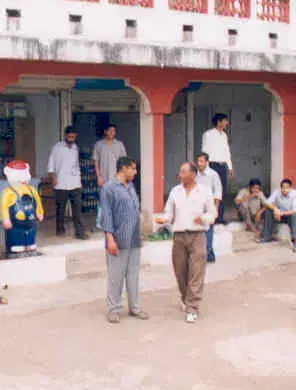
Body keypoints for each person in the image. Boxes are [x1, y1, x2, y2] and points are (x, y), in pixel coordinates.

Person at [154, 162, 216, 324]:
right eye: (180, 171)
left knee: (196, 272)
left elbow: (212, 213)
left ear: (192, 174)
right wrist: (163, 219)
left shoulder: (204, 192)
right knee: (180, 271)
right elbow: (169, 213)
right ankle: (185, 297)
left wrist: (203, 219)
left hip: (198, 236)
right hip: (179, 236)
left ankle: (192, 307)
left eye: (183, 171)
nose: (180, 174)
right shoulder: (175, 191)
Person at [99, 157, 148, 324]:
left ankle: (134, 307)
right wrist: (110, 239)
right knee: (116, 276)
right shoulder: (109, 188)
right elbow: (106, 215)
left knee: (133, 275)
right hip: (118, 239)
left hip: (134, 238)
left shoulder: (131, 187)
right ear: (123, 169)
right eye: (133, 169)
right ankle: (113, 309)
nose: (135, 172)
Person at [46, 125, 88, 239]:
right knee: (61, 209)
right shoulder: (57, 147)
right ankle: (60, 229)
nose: (71, 139)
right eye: (69, 137)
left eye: (73, 137)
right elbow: (51, 164)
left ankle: (79, 232)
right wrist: (53, 177)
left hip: (75, 182)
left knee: (77, 209)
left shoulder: (76, 148)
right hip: (61, 182)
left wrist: (79, 179)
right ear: (65, 136)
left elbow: (76, 164)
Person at [0, 160, 43, 258]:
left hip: (31, 220)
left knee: (31, 232)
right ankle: (15, 249)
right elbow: (4, 207)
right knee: (15, 234)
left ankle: (30, 247)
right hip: (15, 223)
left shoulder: (32, 190)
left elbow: (38, 202)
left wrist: (40, 213)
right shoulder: (8, 192)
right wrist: (5, 219)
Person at [93, 124, 128, 228]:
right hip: (104, 178)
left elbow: (124, 162)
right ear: (105, 132)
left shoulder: (119, 144)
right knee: (103, 200)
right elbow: (96, 162)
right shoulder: (99, 145)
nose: (112, 133)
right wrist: (98, 177)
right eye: (110, 131)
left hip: (117, 178)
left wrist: (123, 177)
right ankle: (101, 222)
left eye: (114, 131)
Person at [200, 113, 232, 224]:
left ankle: (220, 217)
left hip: (222, 166)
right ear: (219, 122)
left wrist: (230, 166)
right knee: (210, 191)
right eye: (225, 121)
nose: (227, 123)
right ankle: (210, 216)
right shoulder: (208, 134)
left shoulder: (224, 135)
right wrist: (205, 167)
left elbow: (227, 151)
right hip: (212, 165)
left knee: (221, 191)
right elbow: (205, 151)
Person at [259, 178, 296, 253]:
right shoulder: (277, 192)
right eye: (283, 187)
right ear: (281, 188)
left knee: (294, 215)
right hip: (280, 214)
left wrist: (281, 213)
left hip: (292, 215)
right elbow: (267, 203)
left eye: (287, 187)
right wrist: (275, 209)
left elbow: (295, 210)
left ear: (290, 188)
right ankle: (266, 236)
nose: (284, 189)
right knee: (268, 211)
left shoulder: (294, 193)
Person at [195, 152, 223, 263]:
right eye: (198, 161)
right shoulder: (195, 175)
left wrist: (215, 209)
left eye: (202, 161)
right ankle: (209, 256)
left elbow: (218, 192)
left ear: (207, 162)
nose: (199, 164)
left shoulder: (213, 175)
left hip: (209, 207)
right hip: (197, 206)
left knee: (208, 231)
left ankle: (207, 253)